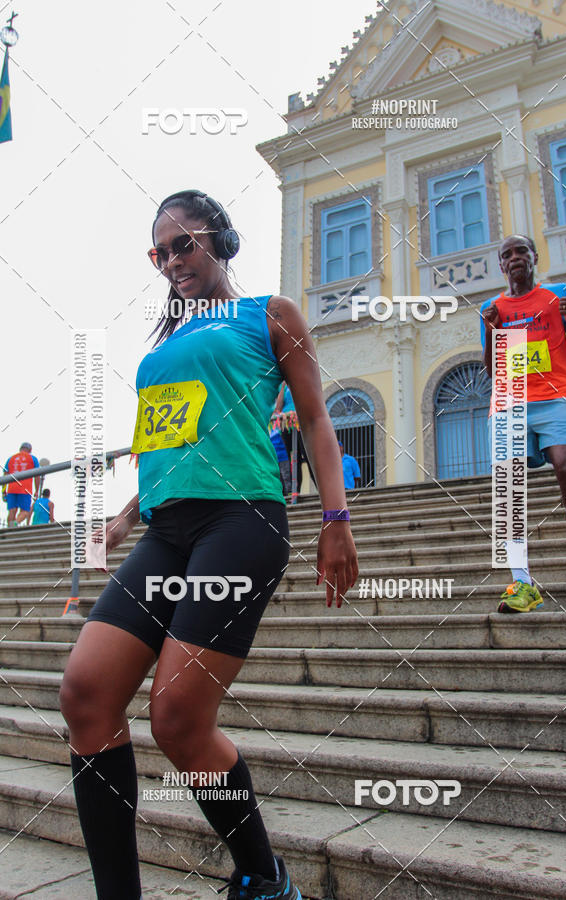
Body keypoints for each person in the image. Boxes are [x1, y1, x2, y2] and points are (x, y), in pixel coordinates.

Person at [59, 190, 358, 900]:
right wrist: (127, 516)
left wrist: (336, 521)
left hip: (241, 521)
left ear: (219, 238)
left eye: (183, 245)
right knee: (85, 696)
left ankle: (263, 877)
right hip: (165, 530)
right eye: (158, 253)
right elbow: (166, 440)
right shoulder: (165, 346)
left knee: (177, 718)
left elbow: (315, 417)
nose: (170, 262)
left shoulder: (270, 314)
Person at [481, 234, 566, 613]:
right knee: (508, 488)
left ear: (534, 257)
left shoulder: (559, 295)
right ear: (501, 265)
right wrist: (493, 334)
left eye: (521, 251)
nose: (515, 258)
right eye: (507, 254)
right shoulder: (493, 307)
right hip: (509, 401)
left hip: (557, 395)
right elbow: (495, 371)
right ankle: (522, 583)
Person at [274, 382, 316, 494]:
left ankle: (319, 487)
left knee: (307, 455)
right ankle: (295, 491)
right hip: (286, 424)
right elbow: (277, 408)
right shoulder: (282, 386)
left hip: (301, 421)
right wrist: (282, 386)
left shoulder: (299, 380)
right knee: (293, 459)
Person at [2, 442, 40, 526]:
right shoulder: (32, 458)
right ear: (30, 450)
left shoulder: (11, 458)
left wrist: (3, 491)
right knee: (25, 511)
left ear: (20, 449)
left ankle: (9, 530)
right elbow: (37, 475)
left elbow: (5, 475)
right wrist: (37, 490)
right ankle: (15, 523)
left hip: (11, 488)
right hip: (25, 488)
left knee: (12, 510)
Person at [270, 426, 291, 496]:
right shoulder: (269, 427)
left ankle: (289, 493)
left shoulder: (281, 425)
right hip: (273, 457)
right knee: (277, 477)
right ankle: (282, 494)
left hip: (283, 455)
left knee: (286, 476)